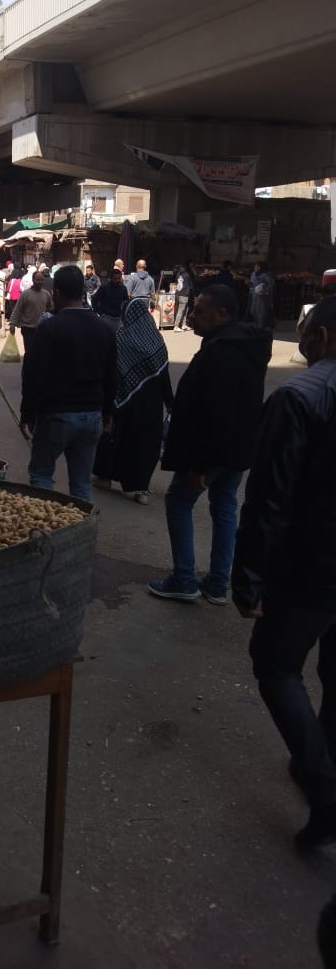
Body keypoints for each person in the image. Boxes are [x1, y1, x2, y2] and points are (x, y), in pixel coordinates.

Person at [231, 297, 336, 847]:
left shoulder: (298, 396)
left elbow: (269, 498)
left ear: (320, 337)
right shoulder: (302, 396)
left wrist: (248, 577)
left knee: (276, 666)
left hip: (311, 566)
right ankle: (320, 761)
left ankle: (326, 790)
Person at [147, 284, 272, 603]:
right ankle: (217, 582)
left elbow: (216, 413)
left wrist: (200, 466)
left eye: (201, 311)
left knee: (179, 501)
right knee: (225, 506)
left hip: (214, 451)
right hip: (237, 448)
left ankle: (184, 578)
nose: (192, 316)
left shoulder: (223, 353)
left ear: (222, 314)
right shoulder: (243, 345)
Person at [19, 265, 116, 503]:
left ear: (57, 292)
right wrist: (107, 412)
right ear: (82, 291)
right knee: (81, 484)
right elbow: (112, 375)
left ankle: (47, 522)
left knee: (42, 475)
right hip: (92, 415)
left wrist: (27, 413)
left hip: (56, 414)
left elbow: (32, 375)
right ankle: (82, 525)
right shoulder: (104, 329)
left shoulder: (49, 328)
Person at [92, 298, 173, 504]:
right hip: (151, 405)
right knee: (144, 446)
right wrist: (170, 403)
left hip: (123, 401)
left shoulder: (121, 338)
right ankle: (140, 488)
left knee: (115, 439)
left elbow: (110, 373)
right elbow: (164, 375)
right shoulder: (157, 340)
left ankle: (104, 478)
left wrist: (105, 401)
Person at [9, 268, 54, 358]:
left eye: (41, 280)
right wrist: (12, 324)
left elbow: (51, 308)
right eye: (37, 280)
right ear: (33, 280)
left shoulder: (46, 294)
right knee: (29, 353)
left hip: (42, 329)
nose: (40, 282)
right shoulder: (25, 294)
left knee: (41, 353)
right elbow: (17, 309)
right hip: (28, 329)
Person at [91, 267, 129, 333]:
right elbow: (94, 299)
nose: (117, 280)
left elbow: (126, 302)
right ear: (111, 278)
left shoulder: (123, 288)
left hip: (118, 318)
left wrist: (123, 316)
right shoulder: (104, 287)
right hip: (106, 317)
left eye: (119, 278)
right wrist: (99, 312)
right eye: (115, 278)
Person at [248, 262, 275, 329]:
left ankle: (260, 327)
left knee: (261, 312)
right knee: (253, 311)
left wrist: (265, 291)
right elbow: (252, 283)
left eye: (258, 266)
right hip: (254, 295)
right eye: (255, 266)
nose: (256, 268)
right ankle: (257, 324)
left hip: (262, 297)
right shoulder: (253, 274)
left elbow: (271, 284)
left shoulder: (265, 275)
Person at [173, 260, 196, 331]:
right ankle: (176, 326)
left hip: (178, 294)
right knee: (181, 310)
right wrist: (193, 294)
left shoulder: (178, 274)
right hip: (184, 294)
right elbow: (191, 285)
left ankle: (183, 325)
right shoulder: (187, 275)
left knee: (185, 310)